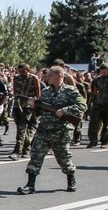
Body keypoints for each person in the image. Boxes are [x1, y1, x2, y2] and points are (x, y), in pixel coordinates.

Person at [16, 66, 86, 195]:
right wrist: (33, 105)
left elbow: (82, 105)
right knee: (35, 155)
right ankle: (30, 185)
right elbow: (40, 111)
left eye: (50, 75)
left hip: (61, 130)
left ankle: (71, 179)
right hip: (44, 129)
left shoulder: (70, 91)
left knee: (63, 157)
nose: (47, 77)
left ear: (59, 76)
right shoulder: (46, 91)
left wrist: (65, 110)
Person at [9, 63, 41, 160]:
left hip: (28, 106)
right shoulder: (16, 78)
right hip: (18, 105)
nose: (21, 73)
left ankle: (17, 152)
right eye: (19, 71)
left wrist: (35, 104)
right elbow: (15, 91)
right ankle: (27, 146)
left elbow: (38, 93)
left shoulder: (33, 78)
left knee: (22, 128)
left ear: (28, 70)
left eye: (23, 71)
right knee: (20, 127)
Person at [87, 64, 108, 148]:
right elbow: (94, 91)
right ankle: (93, 140)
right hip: (98, 104)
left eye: (105, 71)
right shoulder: (97, 80)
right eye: (102, 71)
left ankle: (104, 141)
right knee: (94, 123)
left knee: (106, 125)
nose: (104, 73)